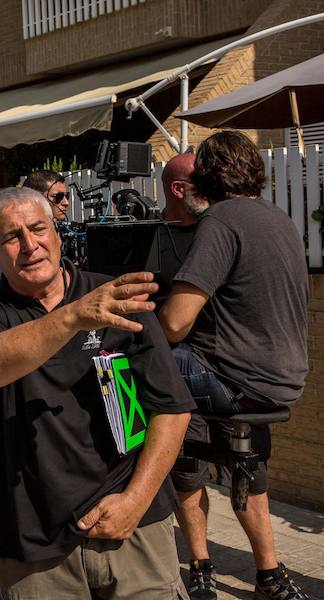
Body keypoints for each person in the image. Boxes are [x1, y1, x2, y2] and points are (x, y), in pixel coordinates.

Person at [0, 186, 194, 599]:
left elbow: (171, 409)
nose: (30, 245)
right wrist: (74, 317)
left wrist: (135, 501)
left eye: (38, 229)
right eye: (12, 237)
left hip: (133, 523)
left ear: (58, 234)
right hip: (36, 538)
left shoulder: (116, 298)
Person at [158, 131, 310, 600]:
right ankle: (264, 573)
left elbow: (175, 323)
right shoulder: (279, 219)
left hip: (227, 377)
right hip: (279, 381)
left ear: (205, 176)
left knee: (136, 356)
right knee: (247, 469)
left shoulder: (220, 222)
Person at [155, 152, 203, 307]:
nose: (212, 188)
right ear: (178, 189)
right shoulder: (149, 240)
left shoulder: (218, 229)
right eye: (203, 181)